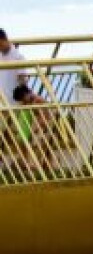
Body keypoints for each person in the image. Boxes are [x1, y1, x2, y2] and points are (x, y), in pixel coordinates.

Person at [1, 28, 51, 167]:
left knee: (20, 135)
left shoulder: (18, 57)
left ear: (4, 40)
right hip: (3, 102)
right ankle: (19, 161)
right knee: (10, 134)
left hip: (16, 102)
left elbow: (23, 79)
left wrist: (25, 97)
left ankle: (25, 162)